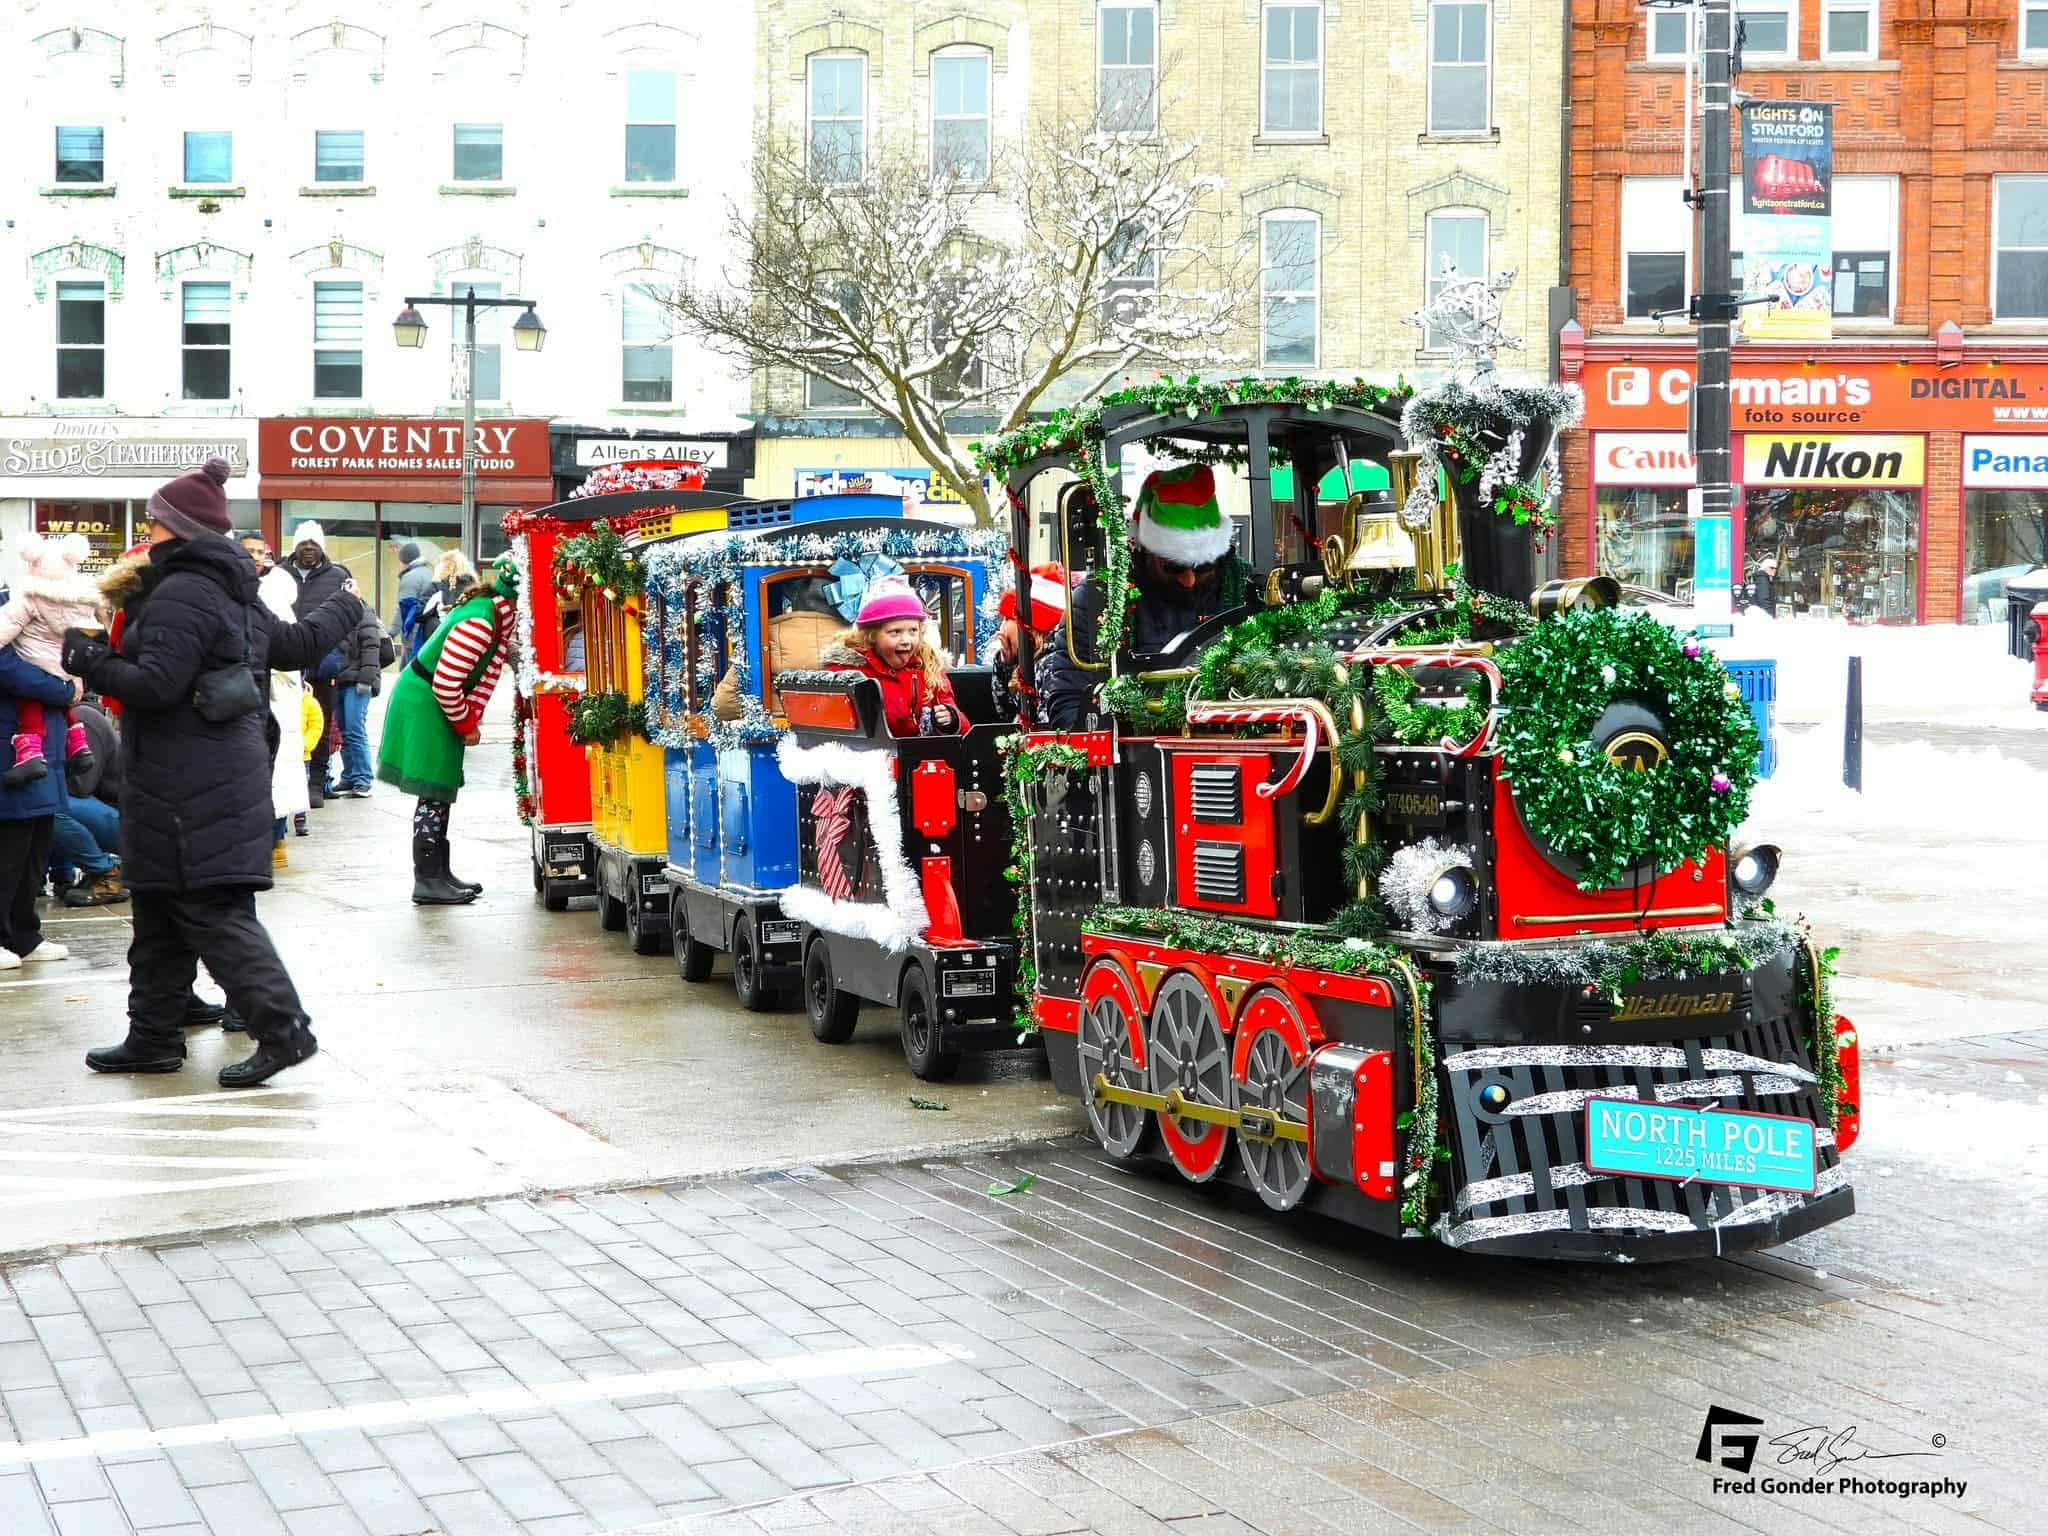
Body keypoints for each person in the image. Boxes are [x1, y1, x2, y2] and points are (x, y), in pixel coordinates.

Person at [62, 456, 365, 1085]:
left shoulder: (181, 591)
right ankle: (152, 1037)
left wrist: (91, 661)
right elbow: (294, 645)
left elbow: (156, 684)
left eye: (153, 521)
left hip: (189, 780)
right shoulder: (229, 589)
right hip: (199, 773)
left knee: (212, 911)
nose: (147, 532)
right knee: (159, 912)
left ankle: (284, 1032)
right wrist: (346, 606)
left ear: (177, 528)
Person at [1039, 464, 1239, 729]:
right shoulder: (1098, 600)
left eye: (1203, 567)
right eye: (1174, 566)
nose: (1189, 580)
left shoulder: (1242, 588)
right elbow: (1069, 705)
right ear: (1147, 550)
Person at [376, 551, 516, 905]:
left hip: (429, 700)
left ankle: (438, 872)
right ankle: (427, 879)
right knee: (433, 788)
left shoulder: (490, 612)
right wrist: (467, 723)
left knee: (440, 790)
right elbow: (447, 682)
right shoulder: (481, 622)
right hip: (425, 702)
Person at [0, 531, 104, 788]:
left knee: (30, 703)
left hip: (36, 668)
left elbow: (7, 633)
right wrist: (69, 685)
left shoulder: (24, 598)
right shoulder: (80, 599)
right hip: (63, 669)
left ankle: (32, 752)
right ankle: (78, 743)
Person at [0, 637, 78, 970]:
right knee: (9, 848)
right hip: (10, 744)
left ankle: (24, 934)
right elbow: (8, 667)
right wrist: (63, 688)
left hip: (45, 743)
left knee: (35, 847)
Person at [821, 579, 960, 737]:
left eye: (913, 631)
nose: (906, 640)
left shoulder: (930, 667)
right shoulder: (849, 673)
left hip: (922, 750)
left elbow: (957, 717)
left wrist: (951, 719)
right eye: (895, 632)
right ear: (872, 636)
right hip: (874, 751)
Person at [283, 522, 348, 806]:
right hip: (285, 663)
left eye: (314, 542)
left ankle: (317, 783)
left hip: (324, 663)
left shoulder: (338, 576)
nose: (308, 547)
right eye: (303, 542)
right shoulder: (279, 574)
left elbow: (354, 614)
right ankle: (286, 780)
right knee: (285, 723)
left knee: (320, 723)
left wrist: (339, 650)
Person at [257, 562, 312, 853]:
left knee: (274, 775)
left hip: (273, 706)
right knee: (282, 775)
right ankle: (277, 842)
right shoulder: (286, 616)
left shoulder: (266, 615)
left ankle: (274, 841)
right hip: (283, 708)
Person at [48, 698, 125, 907]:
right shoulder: (66, 716)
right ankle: (70, 873)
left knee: (50, 807)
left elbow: (80, 786)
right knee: (46, 802)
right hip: (111, 814)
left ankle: (106, 874)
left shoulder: (83, 718)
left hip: (128, 823)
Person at [333, 585, 386, 797]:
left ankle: (363, 777)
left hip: (357, 681)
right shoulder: (337, 614)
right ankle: (349, 776)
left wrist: (366, 679)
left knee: (354, 729)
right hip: (340, 678)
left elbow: (371, 647)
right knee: (343, 730)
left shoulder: (364, 613)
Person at [409, 549, 477, 656]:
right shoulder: (476, 588)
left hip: (439, 647)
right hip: (469, 644)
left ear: (444, 567)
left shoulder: (437, 586)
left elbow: (419, 614)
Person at [393, 541, 435, 663]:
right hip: (429, 634)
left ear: (404, 561)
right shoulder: (430, 573)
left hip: (414, 639)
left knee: (408, 672)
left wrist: (390, 633)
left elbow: (403, 610)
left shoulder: (410, 578)